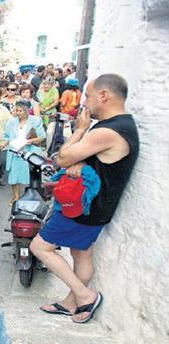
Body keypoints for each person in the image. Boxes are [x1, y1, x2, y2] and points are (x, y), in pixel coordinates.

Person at [30, 74, 139, 324]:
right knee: (81, 253)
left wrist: (79, 131)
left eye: (88, 96)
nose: (84, 102)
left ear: (104, 95)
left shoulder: (110, 131)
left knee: (40, 247)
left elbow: (61, 158)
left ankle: (85, 295)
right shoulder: (120, 125)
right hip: (95, 207)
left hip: (83, 209)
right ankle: (71, 303)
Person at [3, 100, 46, 204]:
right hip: (15, 150)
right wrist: (4, 144)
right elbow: (7, 136)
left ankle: (32, 196)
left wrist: (29, 141)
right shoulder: (11, 122)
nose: (17, 113)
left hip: (30, 151)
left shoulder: (36, 121)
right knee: (14, 175)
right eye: (16, 110)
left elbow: (42, 137)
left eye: (20, 111)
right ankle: (16, 196)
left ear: (27, 110)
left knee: (31, 175)